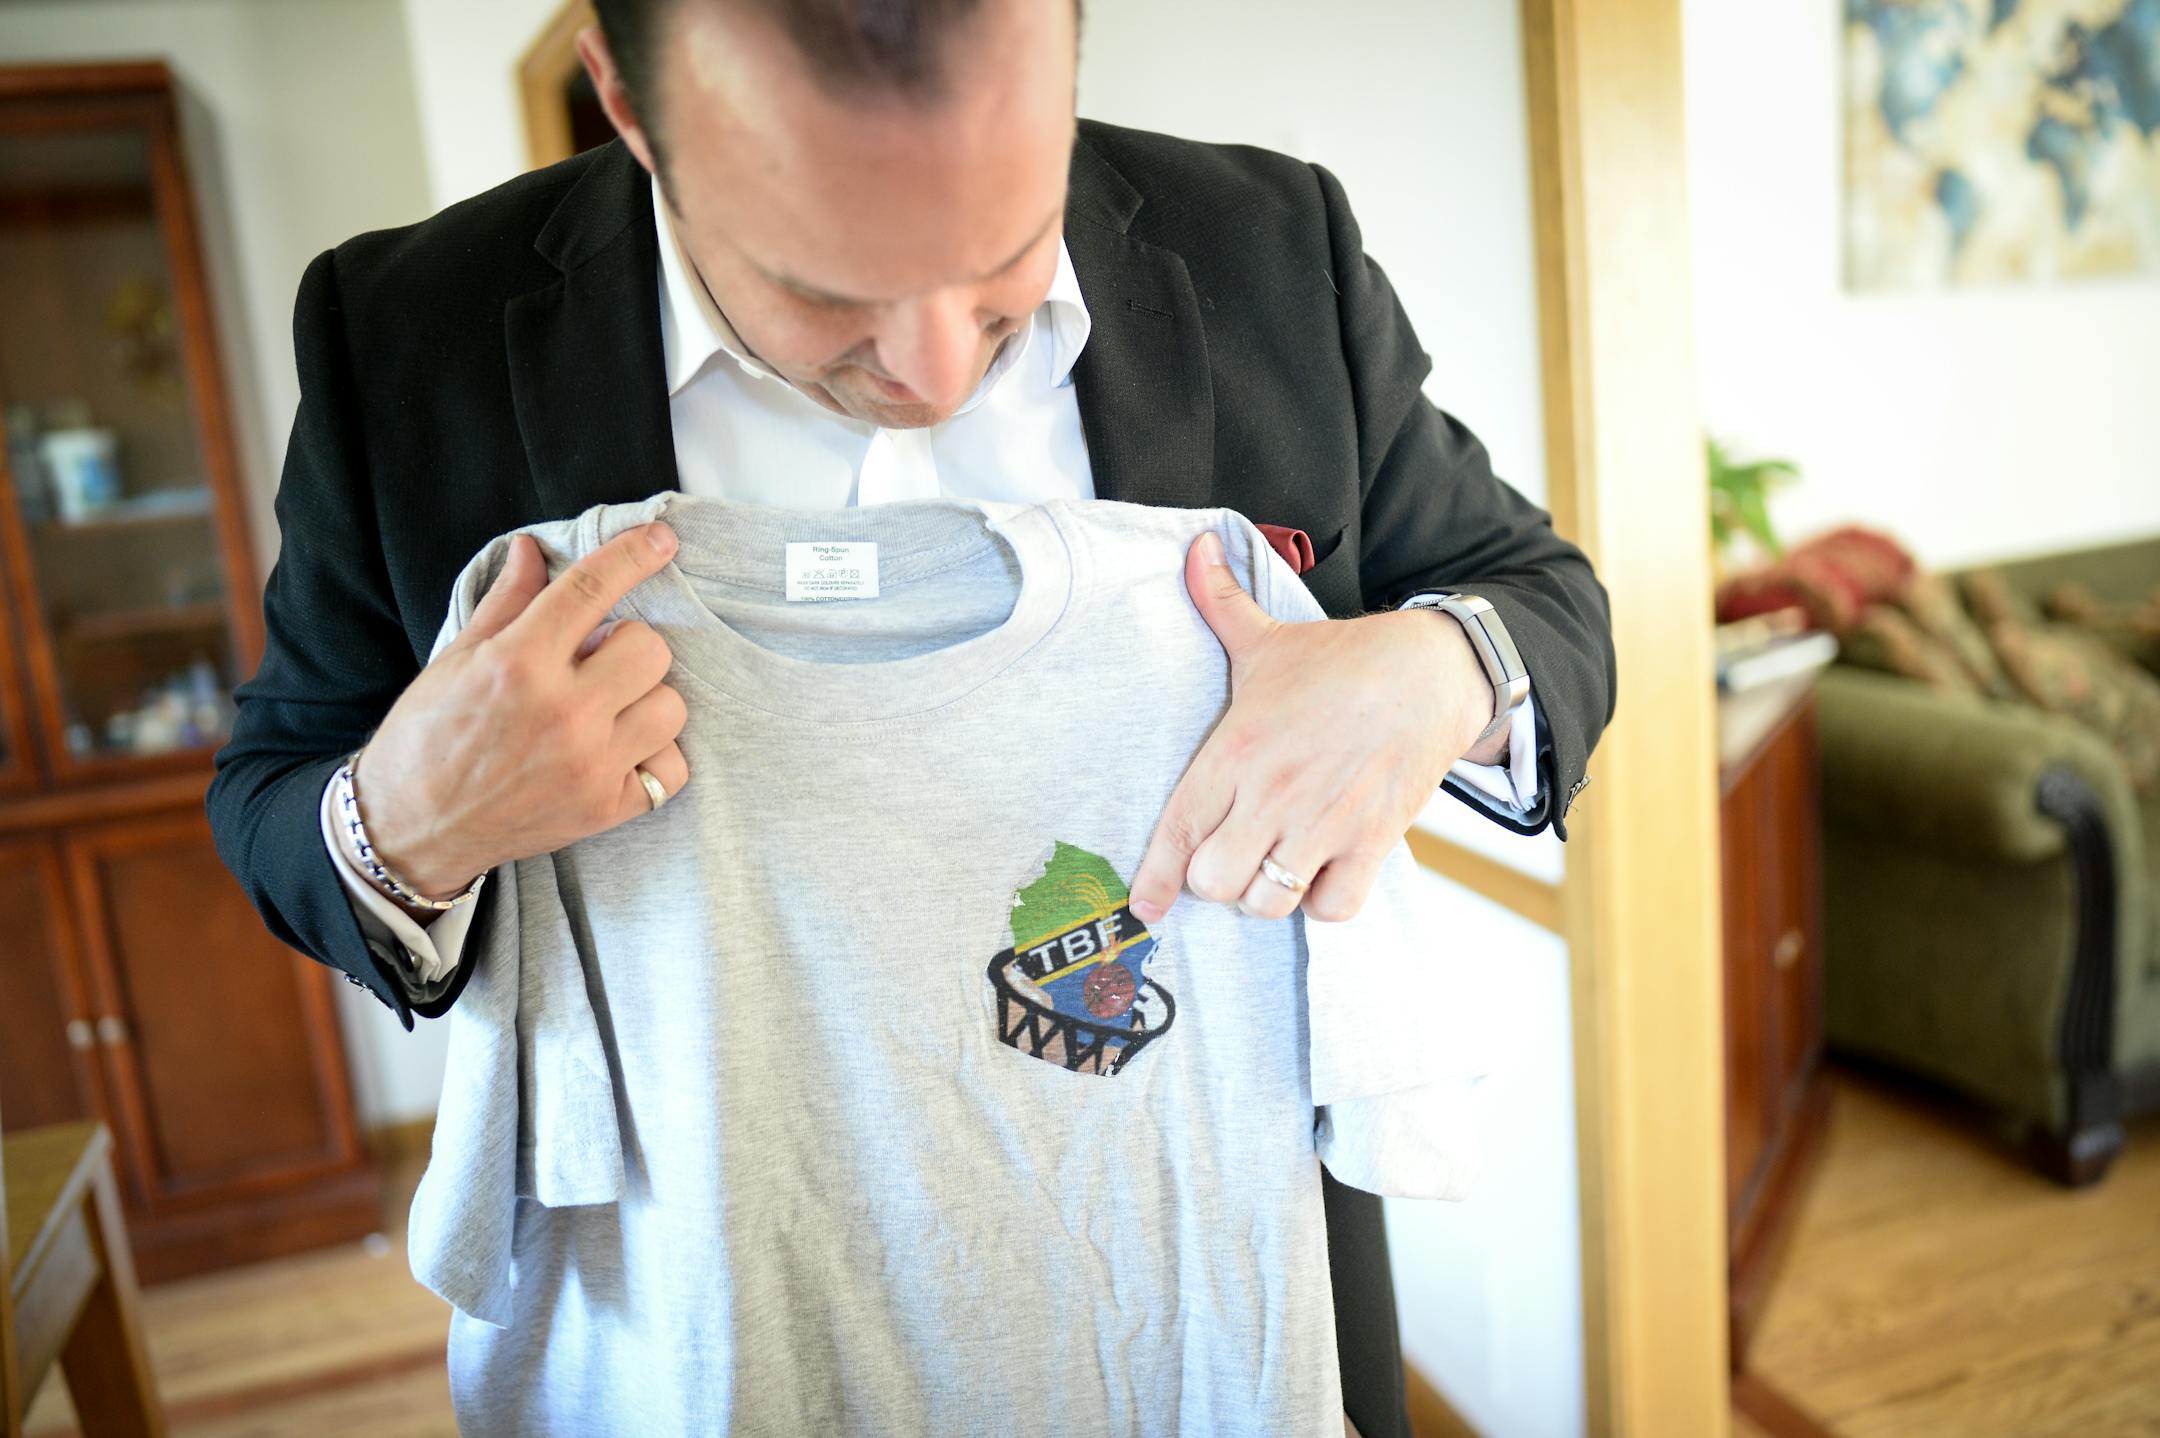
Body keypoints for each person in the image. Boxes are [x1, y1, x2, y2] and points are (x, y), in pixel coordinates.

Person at [204, 1, 1616, 1434]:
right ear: (628, 100)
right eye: (825, 284)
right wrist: (406, 823)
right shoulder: (407, 338)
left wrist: (1435, 671)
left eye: (1005, 257)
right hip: (713, 1344)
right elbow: (271, 787)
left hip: (1195, 1351)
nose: (939, 371)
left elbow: (1540, 599)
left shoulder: (1264, 248)